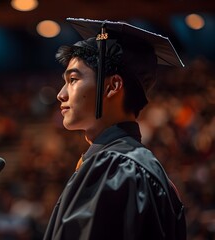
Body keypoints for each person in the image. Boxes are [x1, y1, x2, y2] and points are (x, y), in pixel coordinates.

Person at [43, 18, 186, 240]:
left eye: (72, 79)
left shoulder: (115, 166)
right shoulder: (143, 168)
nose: (61, 94)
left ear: (112, 86)